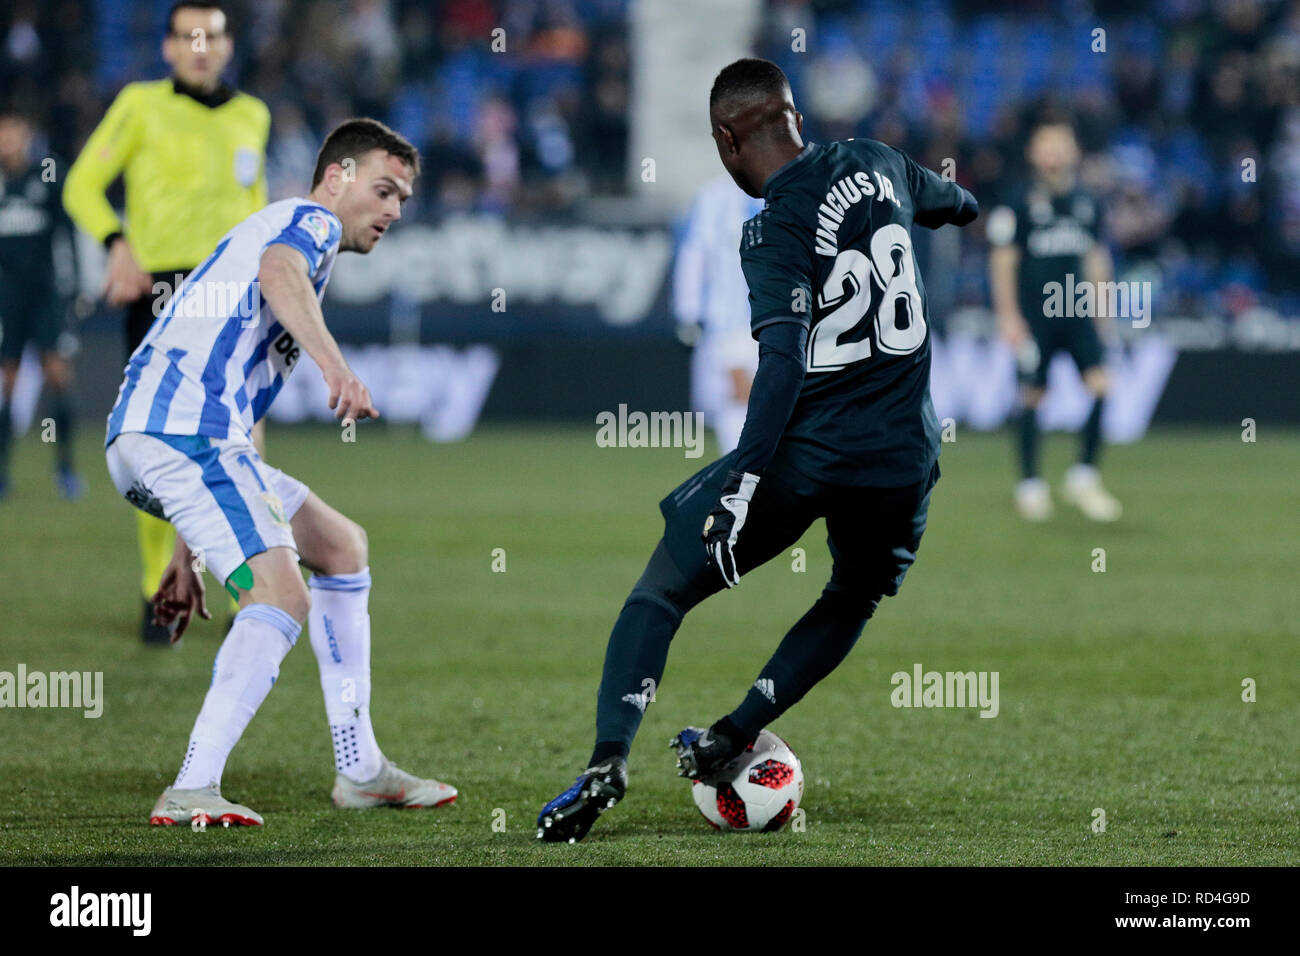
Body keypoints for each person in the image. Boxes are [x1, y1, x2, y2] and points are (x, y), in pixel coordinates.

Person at [537, 58, 977, 843]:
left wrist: (743, 476)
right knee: (853, 595)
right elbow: (958, 204)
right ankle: (733, 734)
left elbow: (779, 360)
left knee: (660, 592)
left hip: (807, 454)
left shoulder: (772, 228)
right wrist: (943, 208)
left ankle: (608, 761)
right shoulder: (878, 161)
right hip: (905, 459)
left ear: (727, 137)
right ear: (795, 115)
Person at [104, 118, 458, 826]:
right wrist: (337, 369)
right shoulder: (307, 224)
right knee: (282, 594)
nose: (393, 211)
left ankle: (359, 769)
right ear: (337, 177)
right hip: (177, 433)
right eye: (384, 190)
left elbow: (237, 419)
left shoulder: (282, 245)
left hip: (179, 440)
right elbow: (279, 271)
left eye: (404, 200)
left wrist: (189, 544)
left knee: (338, 546)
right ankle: (192, 786)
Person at [64, 1, 271, 643]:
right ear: (168, 47)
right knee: (159, 449)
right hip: (162, 289)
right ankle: (158, 588)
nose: (201, 47)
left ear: (229, 46)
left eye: (212, 36)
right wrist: (117, 245)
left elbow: (255, 206)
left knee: (242, 441)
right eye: (189, 36)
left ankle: (249, 588)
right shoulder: (139, 105)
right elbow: (81, 185)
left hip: (234, 289)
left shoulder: (252, 116)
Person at [987, 119, 1122, 522]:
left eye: (1062, 143)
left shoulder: (1088, 201)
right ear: (1033, 152)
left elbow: (1097, 258)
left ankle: (1084, 476)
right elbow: (1003, 259)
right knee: (1032, 395)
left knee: (1102, 386)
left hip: (1077, 314)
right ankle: (1030, 485)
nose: (1055, 151)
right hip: (1035, 318)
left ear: (1075, 151)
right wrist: (1008, 316)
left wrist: (1104, 312)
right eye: (1047, 143)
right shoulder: (1017, 201)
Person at [0, 108, 82, 500]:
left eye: (13, 134)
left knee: (57, 376)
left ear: (27, 136)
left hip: (46, 296)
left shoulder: (46, 172)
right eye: (2, 135)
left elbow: (70, 225)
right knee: (8, 383)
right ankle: (2, 474)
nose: (7, 142)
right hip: (6, 300)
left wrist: (76, 286)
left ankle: (64, 467)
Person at [673, 175, 765, 454]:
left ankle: (748, 474)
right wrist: (688, 313)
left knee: (762, 401)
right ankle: (741, 471)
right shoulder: (714, 199)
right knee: (738, 394)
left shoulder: (790, 193)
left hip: (780, 321)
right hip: (728, 319)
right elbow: (692, 256)